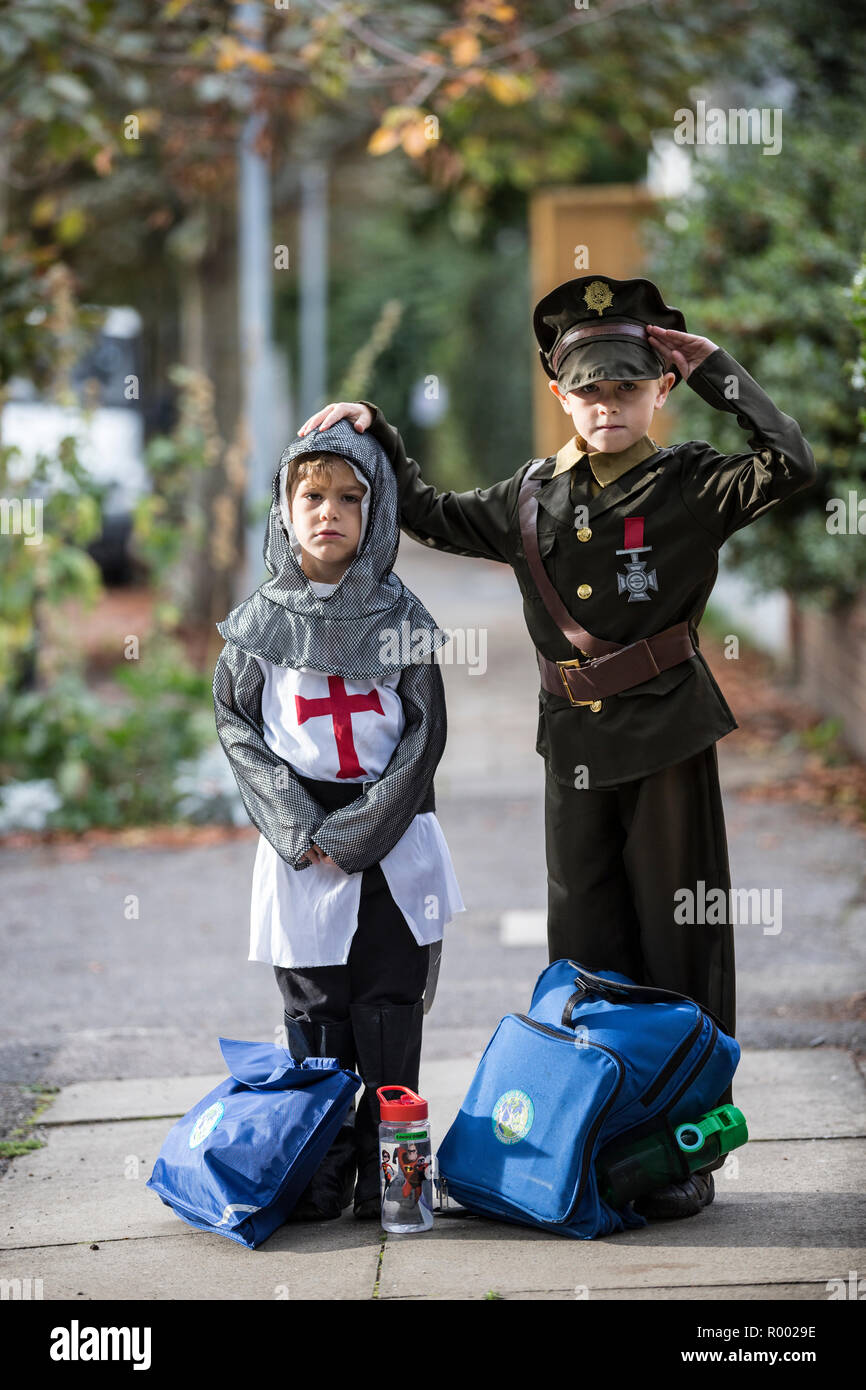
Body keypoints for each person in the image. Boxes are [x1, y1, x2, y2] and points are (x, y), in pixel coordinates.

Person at [295, 274, 817, 1221]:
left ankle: (683, 1144)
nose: (606, 404)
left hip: (666, 739)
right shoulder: (529, 499)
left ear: (657, 389)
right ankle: (601, 1132)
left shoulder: (693, 481)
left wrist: (721, 376)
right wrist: (376, 427)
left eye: (626, 386)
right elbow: (427, 510)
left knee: (678, 941)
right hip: (570, 745)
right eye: (588, 389)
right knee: (583, 951)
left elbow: (792, 464)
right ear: (560, 395)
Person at [212, 418, 464, 1220]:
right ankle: (320, 1168)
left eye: (350, 498)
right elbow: (237, 726)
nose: (329, 512)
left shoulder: (402, 619)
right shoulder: (259, 625)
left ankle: (389, 1174)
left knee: (389, 1002)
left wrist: (361, 829)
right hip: (301, 841)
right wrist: (299, 824)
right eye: (311, 496)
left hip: (391, 831)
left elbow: (424, 735)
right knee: (317, 1007)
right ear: (285, 508)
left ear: (377, 510)